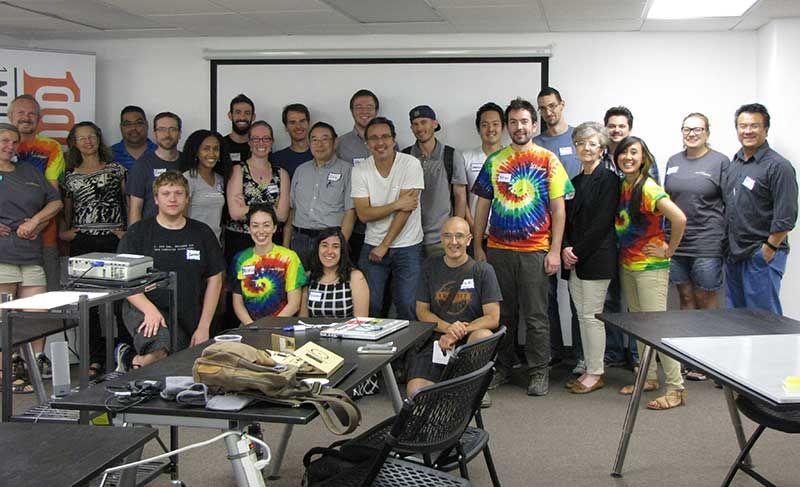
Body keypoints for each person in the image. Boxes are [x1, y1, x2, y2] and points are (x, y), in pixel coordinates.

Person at [472, 97, 574, 397]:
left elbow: (559, 211)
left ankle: (538, 371)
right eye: (513, 122)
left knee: (536, 316)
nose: (519, 127)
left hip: (535, 252)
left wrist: (555, 251)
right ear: (508, 126)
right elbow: (481, 206)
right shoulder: (495, 160)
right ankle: (502, 367)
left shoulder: (547, 160)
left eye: (524, 121)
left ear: (533, 124)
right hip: (498, 251)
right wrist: (478, 244)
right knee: (501, 315)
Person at [116, 171, 224, 370]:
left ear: (187, 199)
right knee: (160, 350)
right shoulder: (137, 233)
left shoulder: (202, 232)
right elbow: (124, 279)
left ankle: (129, 358)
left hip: (188, 312)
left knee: (181, 361)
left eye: (178, 193)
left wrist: (203, 326)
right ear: (156, 199)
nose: (172, 199)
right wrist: (149, 310)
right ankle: (135, 364)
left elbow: (215, 279)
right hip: (145, 307)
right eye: (166, 194)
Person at [614, 136, 688, 410]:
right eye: (624, 153)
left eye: (634, 153)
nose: (628, 157)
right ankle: (649, 377)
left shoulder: (648, 188)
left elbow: (679, 218)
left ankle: (676, 388)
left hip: (650, 269)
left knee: (658, 328)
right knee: (641, 326)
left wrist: (669, 250)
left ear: (644, 158)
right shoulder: (625, 185)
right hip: (629, 265)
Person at [664, 113, 730, 381]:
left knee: (706, 300)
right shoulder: (673, 161)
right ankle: (688, 357)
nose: (692, 133)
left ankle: (708, 360)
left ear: (707, 132)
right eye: (687, 129)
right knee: (686, 298)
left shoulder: (720, 162)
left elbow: (730, 203)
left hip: (707, 242)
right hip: (677, 243)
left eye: (698, 129)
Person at [59, 121, 127, 377]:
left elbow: (127, 201)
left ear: (99, 139)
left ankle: (124, 354)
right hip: (84, 242)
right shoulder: (69, 174)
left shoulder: (116, 170)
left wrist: (127, 231)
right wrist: (65, 233)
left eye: (92, 136)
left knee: (121, 302)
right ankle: (95, 359)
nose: (88, 141)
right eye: (82, 138)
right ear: (74, 143)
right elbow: (67, 210)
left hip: (113, 239)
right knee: (90, 305)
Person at [407, 217, 501, 397]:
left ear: (469, 239)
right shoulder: (430, 266)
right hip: (437, 339)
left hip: (468, 338)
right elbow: (422, 311)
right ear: (441, 239)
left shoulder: (483, 271)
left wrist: (459, 331)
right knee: (415, 392)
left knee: (484, 336)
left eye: (459, 236)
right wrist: (448, 328)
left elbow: (492, 318)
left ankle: (473, 385)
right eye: (448, 236)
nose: (453, 242)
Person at [0, 123, 63, 392]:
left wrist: (37, 220)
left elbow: (56, 201)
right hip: (3, 253)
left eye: (14, 142)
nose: (9, 146)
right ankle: (7, 366)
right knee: (5, 314)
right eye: (4, 141)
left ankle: (33, 364)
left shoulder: (29, 171)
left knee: (36, 312)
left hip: (31, 251)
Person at [561, 122, 619, 394]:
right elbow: (568, 222)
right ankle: (589, 366)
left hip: (596, 257)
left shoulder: (609, 180)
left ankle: (596, 372)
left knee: (591, 316)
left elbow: (602, 223)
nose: (586, 148)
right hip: (574, 259)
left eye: (592, 143)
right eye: (581, 143)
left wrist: (577, 251)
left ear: (602, 149)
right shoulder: (574, 182)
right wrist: (566, 248)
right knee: (583, 316)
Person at [723, 103, 797, 314]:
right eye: (742, 126)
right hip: (735, 253)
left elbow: (787, 214)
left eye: (754, 126)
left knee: (764, 321)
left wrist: (769, 248)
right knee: (737, 318)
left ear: (765, 129)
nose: (747, 131)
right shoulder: (735, 162)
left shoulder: (778, 166)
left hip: (761, 254)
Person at [350, 117, 424, 320]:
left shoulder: (410, 164)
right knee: (370, 304)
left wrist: (385, 245)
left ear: (394, 140)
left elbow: (406, 210)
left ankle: (410, 352)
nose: (379, 142)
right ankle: (372, 350)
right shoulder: (360, 170)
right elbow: (364, 214)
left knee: (408, 304)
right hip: (371, 245)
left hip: (408, 245)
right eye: (373, 138)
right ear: (367, 144)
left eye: (385, 137)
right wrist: (396, 204)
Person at [533, 87, 582, 373]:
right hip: (545, 230)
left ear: (562, 105)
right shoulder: (536, 144)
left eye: (552, 106)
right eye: (543, 108)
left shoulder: (578, 139)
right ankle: (552, 353)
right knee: (547, 296)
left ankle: (580, 355)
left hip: (577, 227)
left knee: (579, 296)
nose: (548, 112)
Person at [285, 122, 355, 268]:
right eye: (314, 140)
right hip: (300, 239)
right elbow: (292, 210)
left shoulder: (348, 170)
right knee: (298, 286)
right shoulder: (301, 170)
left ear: (335, 142)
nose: (319, 144)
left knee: (326, 286)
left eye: (325, 139)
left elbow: (351, 212)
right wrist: (286, 246)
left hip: (330, 240)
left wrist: (339, 245)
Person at [402, 105, 468, 258]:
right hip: (410, 239)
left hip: (442, 239)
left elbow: (460, 197)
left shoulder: (450, 155)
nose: (420, 128)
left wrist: (456, 234)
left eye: (424, 122)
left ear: (435, 124)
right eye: (415, 124)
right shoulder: (405, 156)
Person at [230, 204, 307, 324]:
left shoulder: (289, 258)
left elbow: (294, 304)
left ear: (274, 228)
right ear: (249, 228)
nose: (261, 231)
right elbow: (237, 302)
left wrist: (268, 326)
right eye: (255, 226)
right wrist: (251, 326)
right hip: (249, 327)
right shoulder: (240, 259)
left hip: (281, 326)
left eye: (266, 225)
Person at [225, 121, 290, 262]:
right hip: (241, 241)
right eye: (256, 139)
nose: (261, 143)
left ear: (272, 142)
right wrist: (271, 209)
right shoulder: (238, 170)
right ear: (249, 142)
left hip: (272, 242)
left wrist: (248, 208)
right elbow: (235, 213)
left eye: (266, 138)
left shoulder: (281, 174)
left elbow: (282, 216)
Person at [336, 89, 382, 262]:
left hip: (383, 224)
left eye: (369, 107)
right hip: (353, 226)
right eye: (359, 107)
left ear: (376, 111)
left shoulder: (387, 141)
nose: (364, 111)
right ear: (352, 111)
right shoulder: (340, 143)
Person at [127, 112, 183, 224]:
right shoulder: (142, 165)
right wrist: (135, 238)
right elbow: (135, 209)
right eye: (161, 129)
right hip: (150, 234)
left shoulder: (188, 162)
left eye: (172, 129)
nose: (167, 134)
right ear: (154, 133)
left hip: (183, 233)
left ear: (180, 133)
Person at [300, 227, 369, 318]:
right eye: (324, 245)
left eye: (335, 246)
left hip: (346, 331)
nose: (329, 251)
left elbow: (361, 320)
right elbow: (303, 319)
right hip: (315, 331)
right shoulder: (309, 277)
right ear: (317, 249)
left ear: (342, 251)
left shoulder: (355, 277)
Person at [462, 102, 504, 238]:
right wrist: (474, 227)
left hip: (505, 235)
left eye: (495, 124)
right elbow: (462, 198)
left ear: (503, 127)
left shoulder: (512, 158)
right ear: (478, 129)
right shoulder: (466, 158)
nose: (490, 129)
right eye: (485, 125)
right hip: (474, 233)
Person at [182, 129, 227, 242]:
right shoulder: (187, 179)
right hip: (193, 243)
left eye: (216, 149)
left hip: (215, 243)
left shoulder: (220, 179)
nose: (212, 154)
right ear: (196, 152)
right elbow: (180, 218)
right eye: (206, 149)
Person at [271, 103, 312, 180]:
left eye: (302, 121)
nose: (298, 126)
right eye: (292, 122)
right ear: (286, 127)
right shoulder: (276, 159)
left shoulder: (320, 155)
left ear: (308, 123)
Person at [110, 105, 157, 172]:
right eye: (127, 124)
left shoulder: (160, 153)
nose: (133, 128)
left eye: (138, 123)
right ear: (121, 128)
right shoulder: (109, 155)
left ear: (146, 125)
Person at [223, 94, 255, 169]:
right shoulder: (220, 145)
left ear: (253, 117)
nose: (242, 117)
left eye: (247, 113)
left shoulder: (259, 145)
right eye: (238, 112)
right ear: (230, 115)